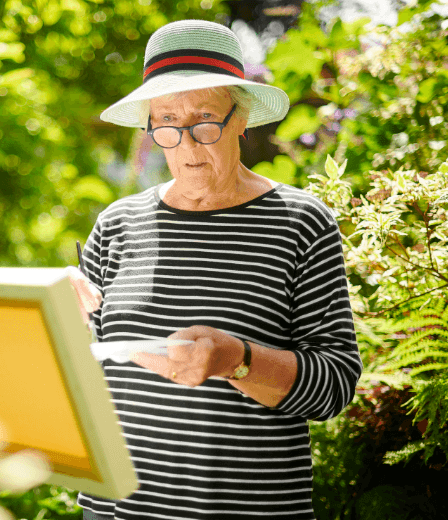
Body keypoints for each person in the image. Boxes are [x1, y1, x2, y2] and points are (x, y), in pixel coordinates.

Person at [66, 19, 363, 519]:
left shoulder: (300, 222)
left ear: (241, 117)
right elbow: (85, 372)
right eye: (165, 122)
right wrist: (59, 315)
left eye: (205, 120)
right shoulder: (117, 224)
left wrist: (237, 360)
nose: (184, 144)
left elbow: (334, 385)